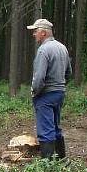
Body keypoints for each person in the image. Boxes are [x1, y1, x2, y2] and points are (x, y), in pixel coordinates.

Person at [27, 18, 72, 160]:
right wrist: (60, 85)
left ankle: (48, 165)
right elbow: (69, 72)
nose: (33, 34)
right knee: (56, 127)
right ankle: (61, 159)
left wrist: (35, 92)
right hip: (59, 93)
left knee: (45, 130)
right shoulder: (62, 47)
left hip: (45, 95)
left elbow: (39, 78)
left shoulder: (43, 50)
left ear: (44, 33)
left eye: (35, 31)